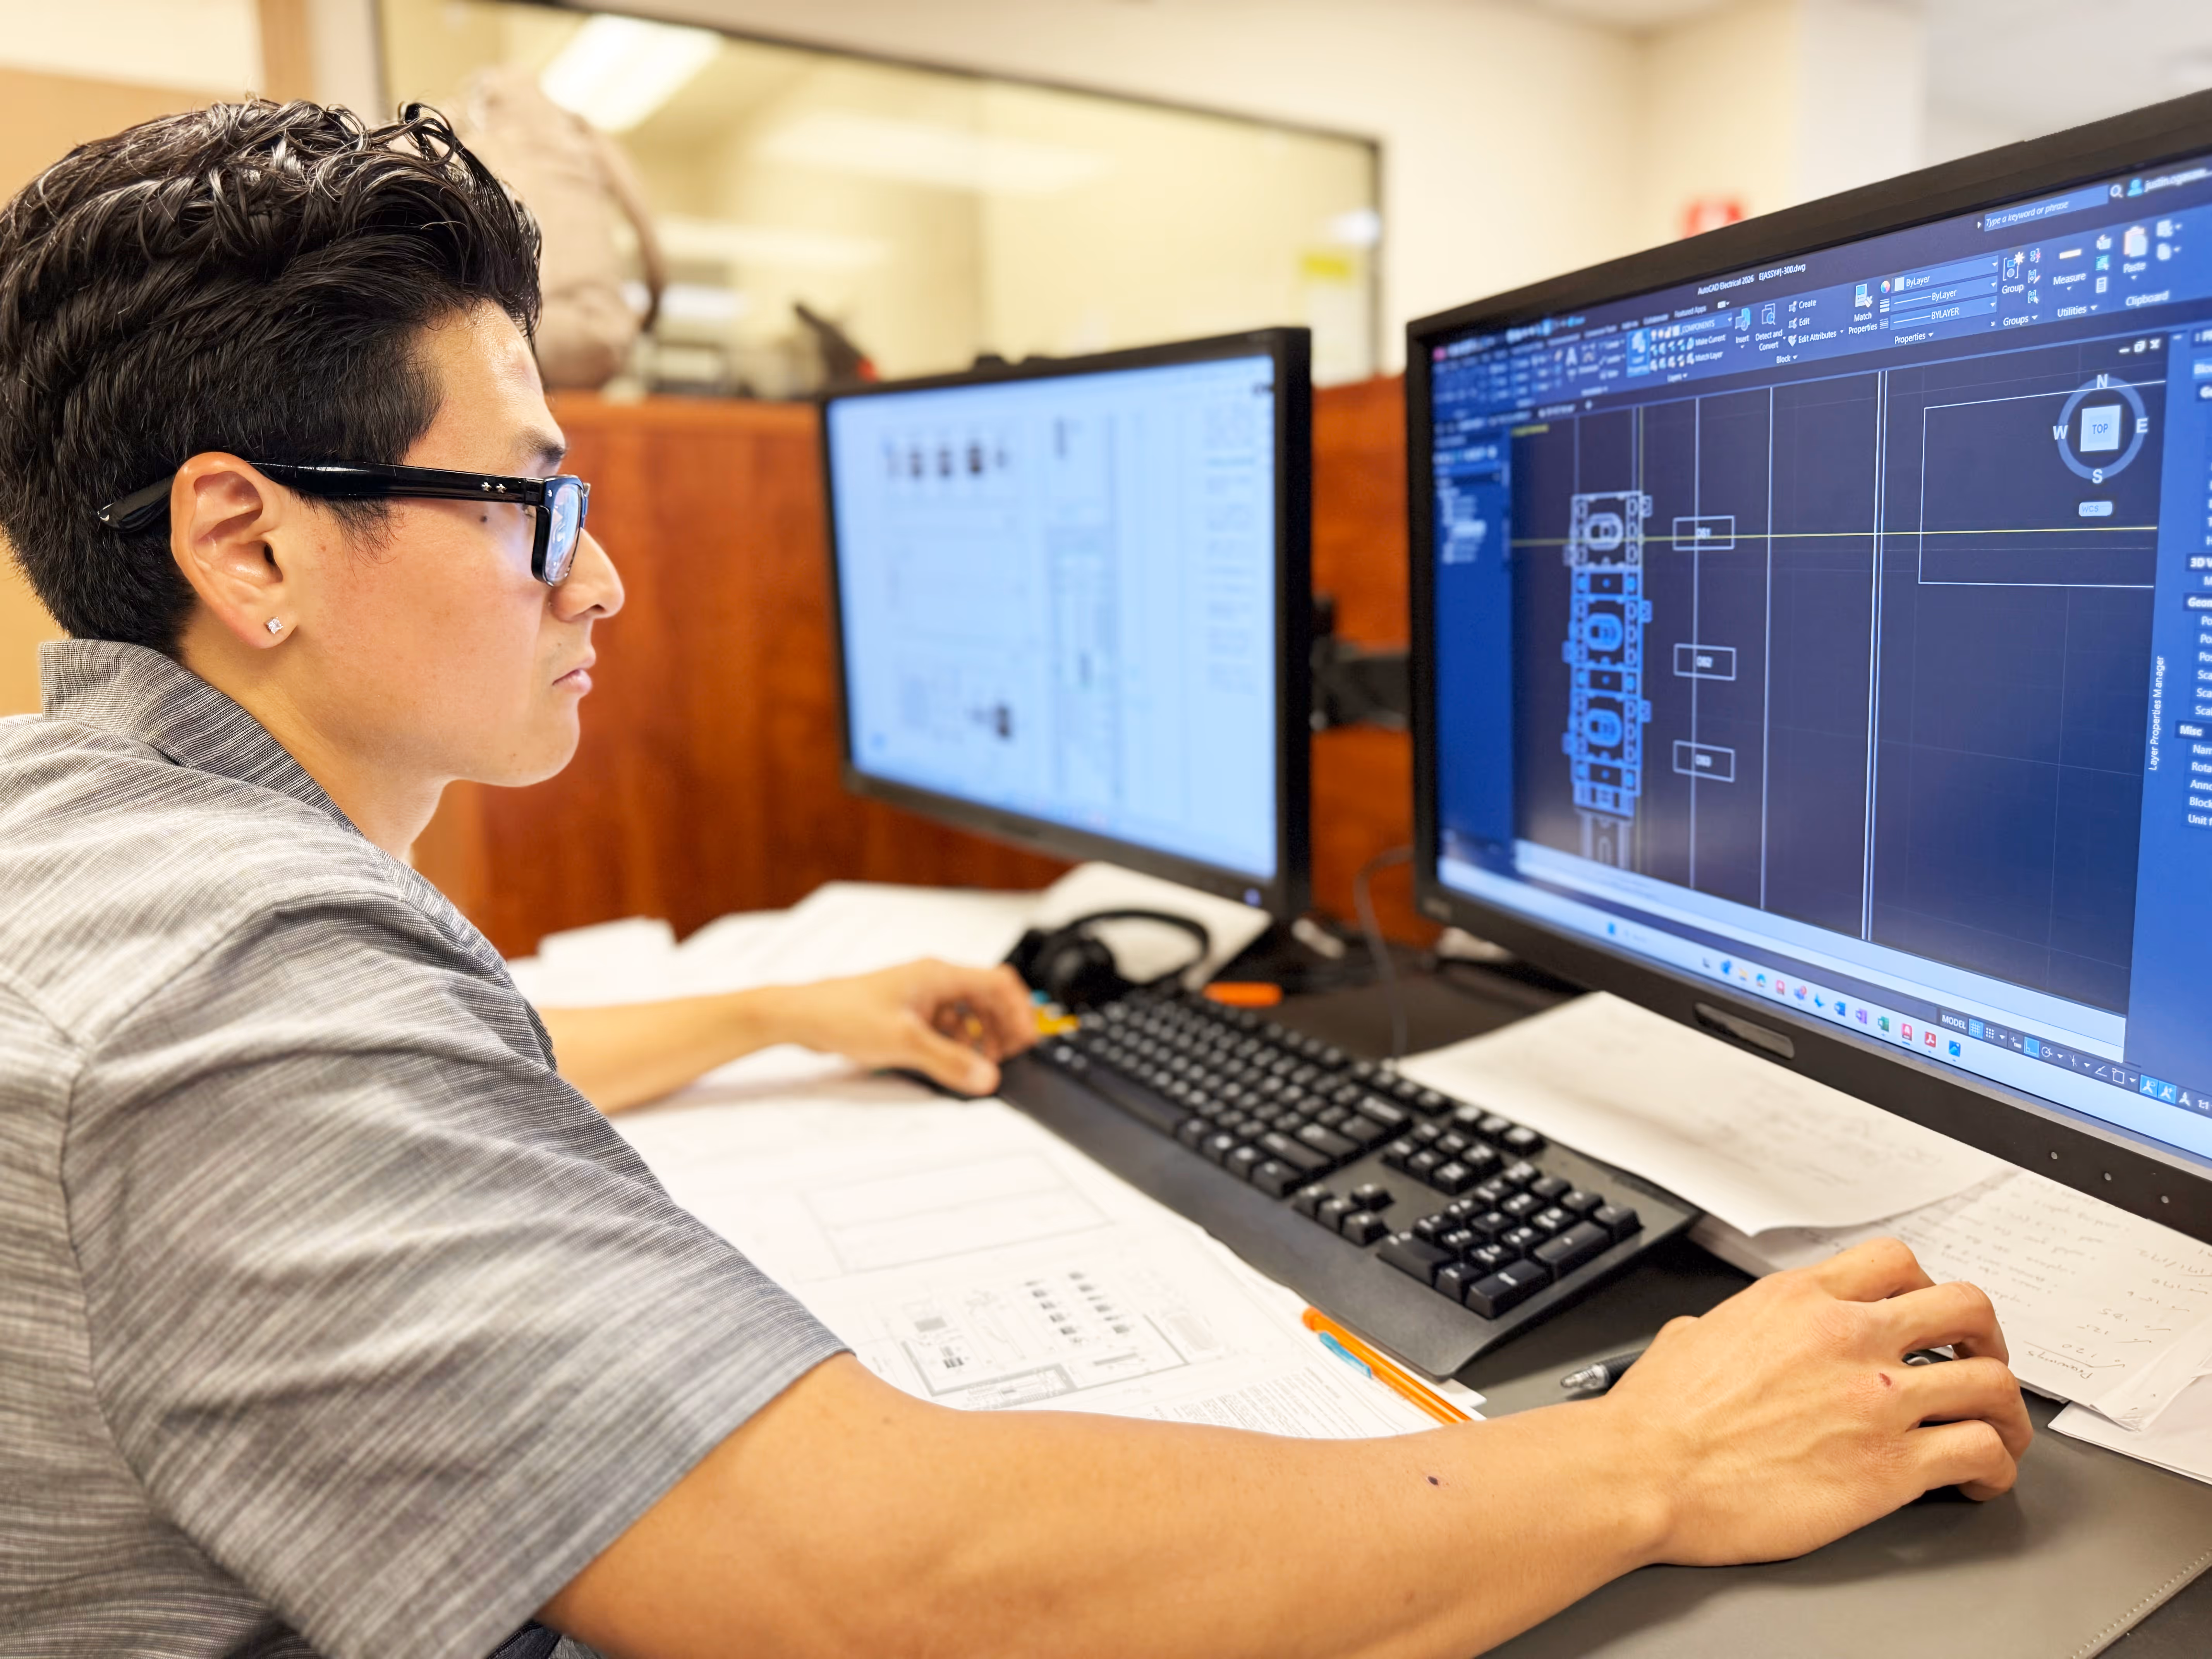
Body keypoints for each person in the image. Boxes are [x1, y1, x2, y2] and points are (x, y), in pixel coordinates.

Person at [0, 102, 2031, 1659]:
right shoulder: (225, 1001)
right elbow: (894, 1576)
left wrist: (774, 1008)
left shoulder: (118, 846)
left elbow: (402, 1078)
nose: (598, 572)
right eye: (536, 499)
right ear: (248, 546)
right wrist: (1652, 1456)